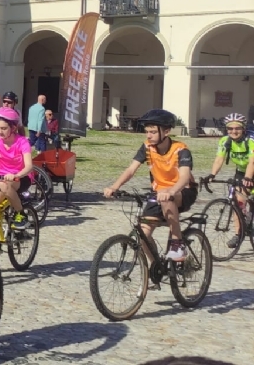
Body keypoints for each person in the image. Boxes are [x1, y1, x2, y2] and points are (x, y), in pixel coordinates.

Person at [104, 109, 197, 262]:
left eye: (153, 132)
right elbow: (131, 169)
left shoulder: (180, 149)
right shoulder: (147, 147)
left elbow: (185, 176)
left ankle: (177, 244)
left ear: (166, 131)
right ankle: (156, 268)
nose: (148, 135)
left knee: (167, 198)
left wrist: (172, 191)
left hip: (183, 192)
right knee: (143, 235)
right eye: (147, 131)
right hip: (159, 194)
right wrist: (114, 187)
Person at [202, 113, 254, 249]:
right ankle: (239, 234)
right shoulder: (225, 141)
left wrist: (248, 178)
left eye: (237, 128)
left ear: (243, 129)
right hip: (242, 172)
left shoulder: (251, 140)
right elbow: (219, 159)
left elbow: (252, 162)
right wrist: (211, 175)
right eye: (230, 129)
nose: (233, 131)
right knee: (237, 202)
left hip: (251, 169)